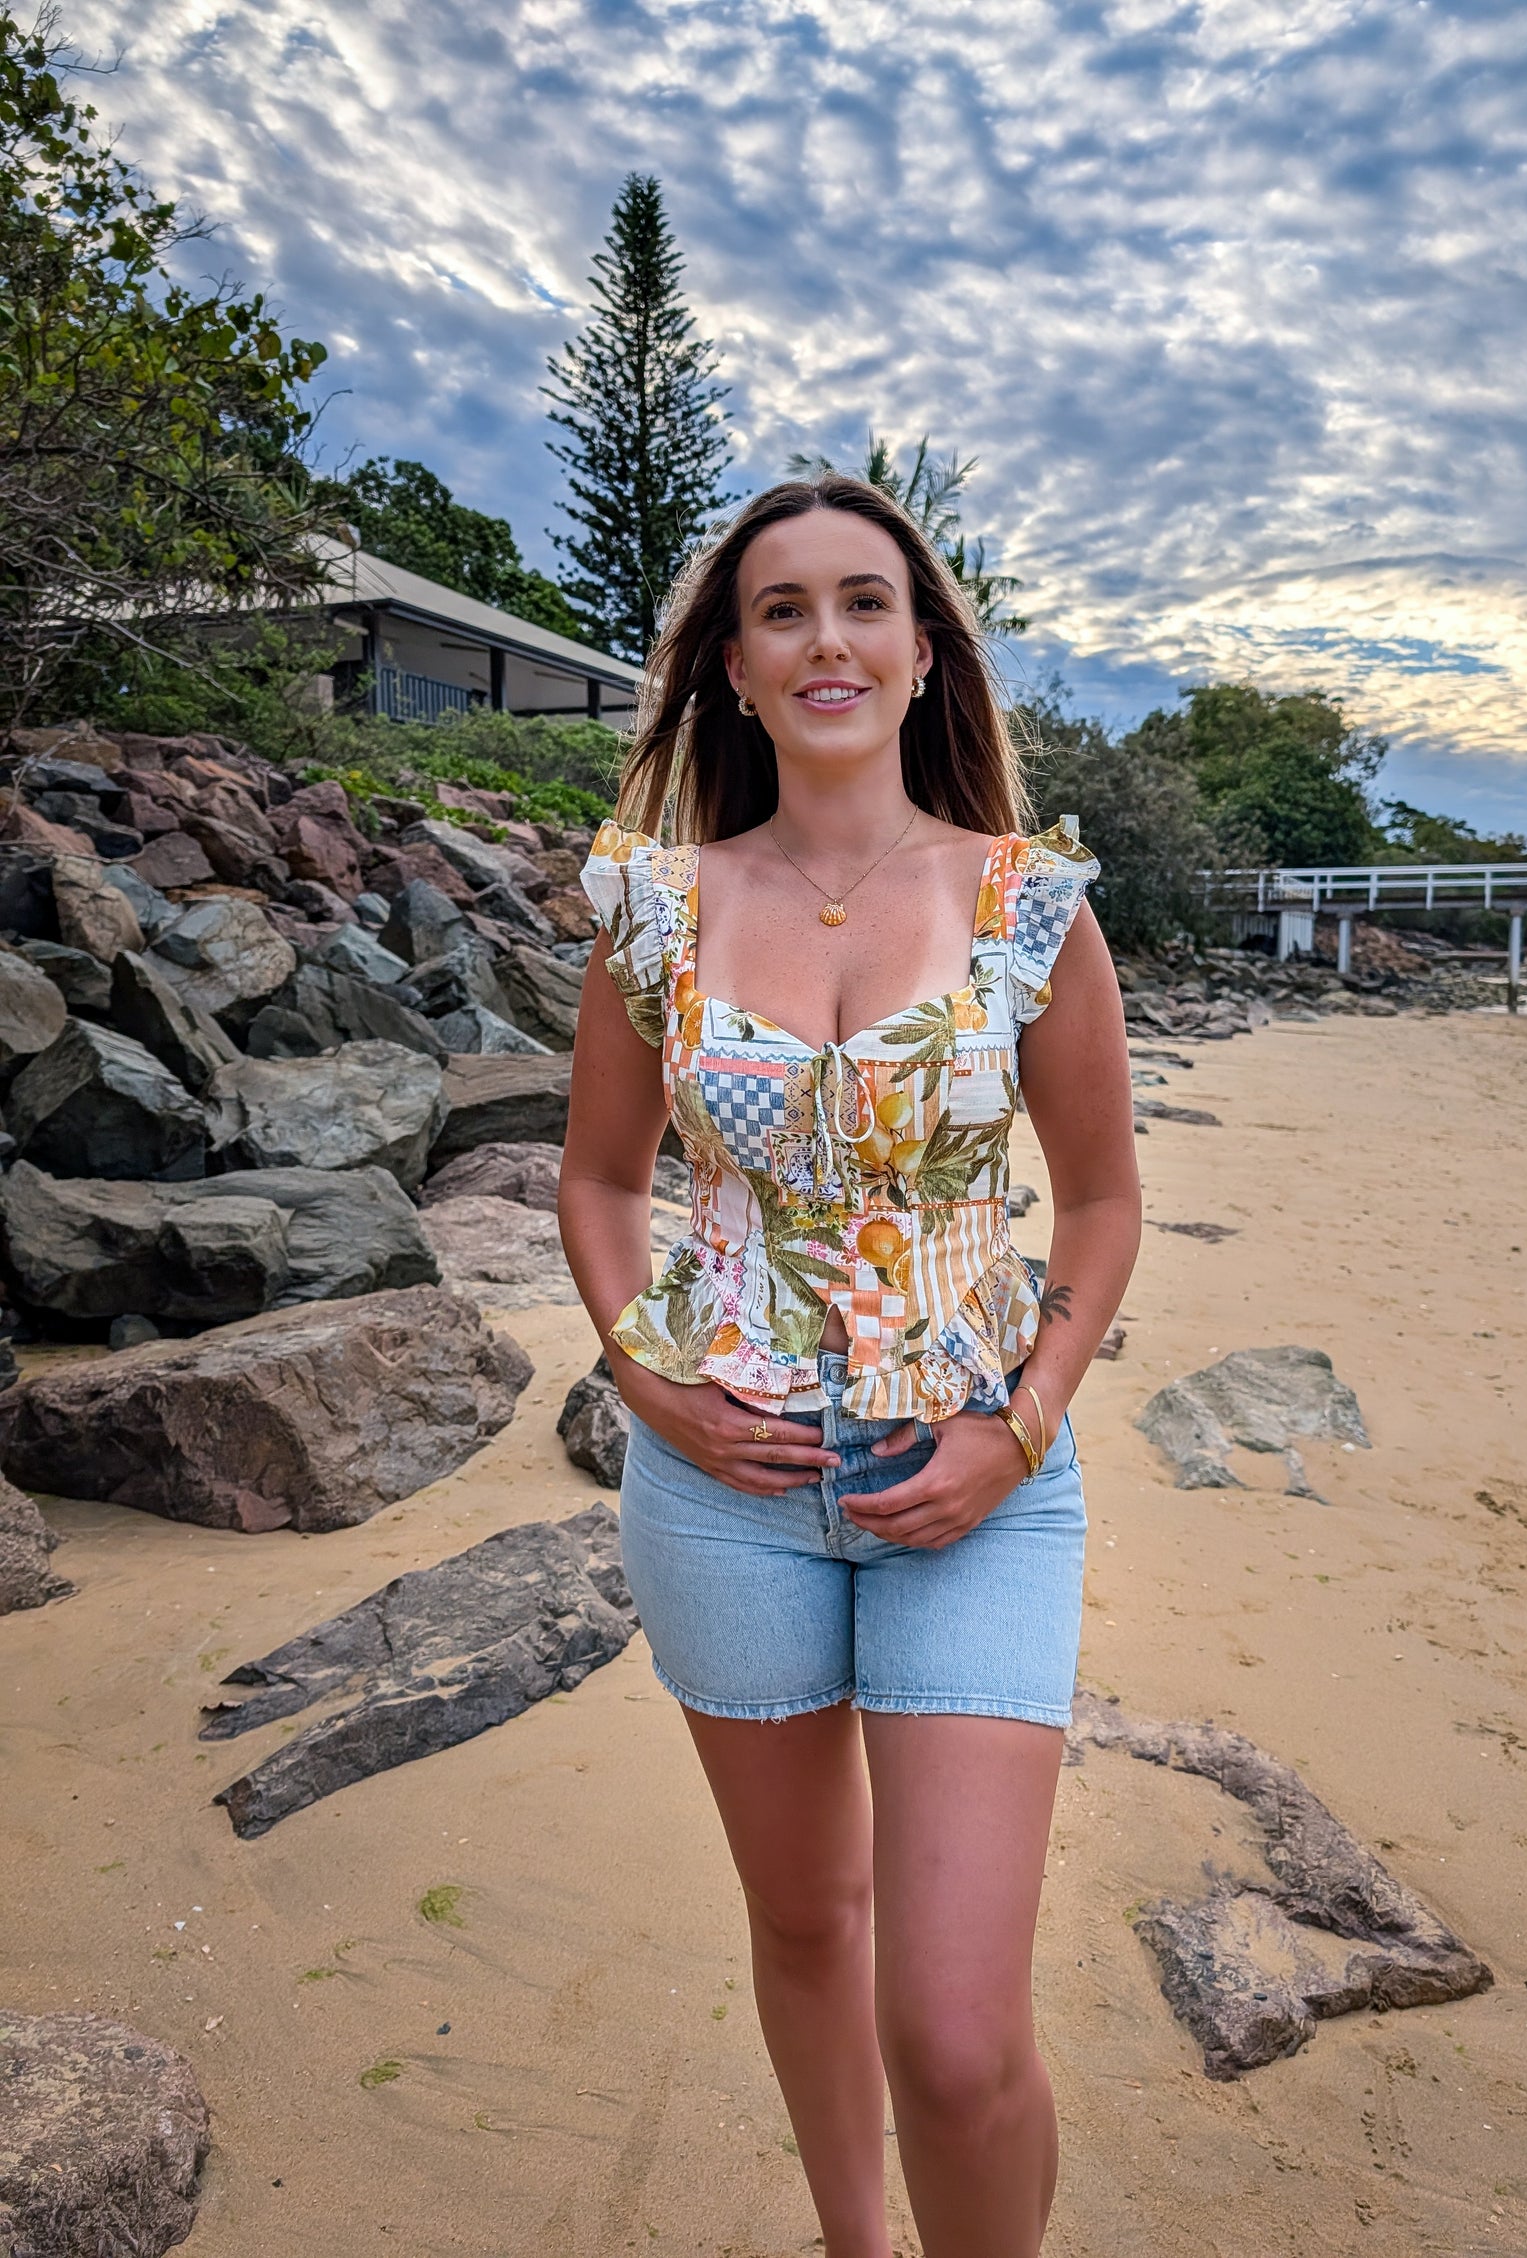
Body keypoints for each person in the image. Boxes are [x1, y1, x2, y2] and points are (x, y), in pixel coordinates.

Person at [558, 473, 1141, 2258]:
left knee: (958, 2036)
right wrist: (644, 1378)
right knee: (810, 1922)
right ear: (733, 665)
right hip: (721, 1496)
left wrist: (1022, 1424)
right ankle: (854, 2242)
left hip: (973, 1486)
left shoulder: (1026, 901)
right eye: (785, 608)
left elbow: (1107, 1202)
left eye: (866, 602)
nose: (828, 638)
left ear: (921, 650)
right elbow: (594, 1177)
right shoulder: (654, 910)